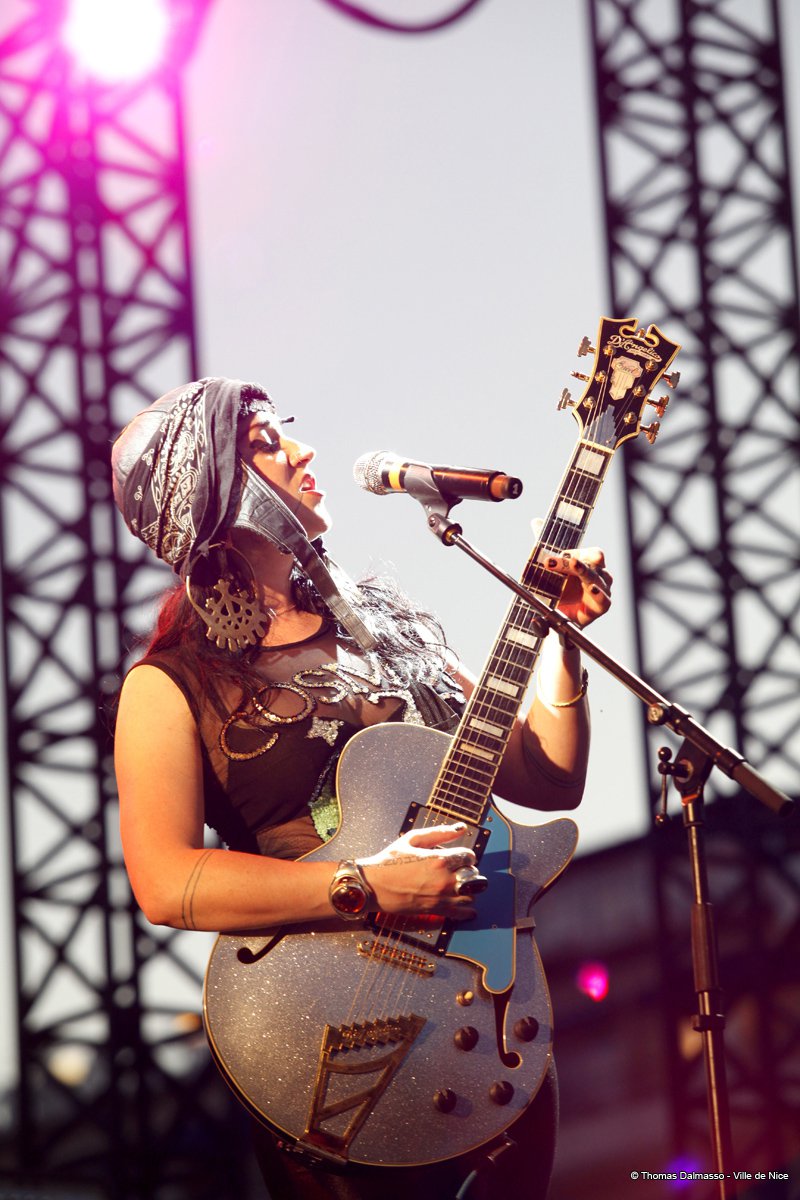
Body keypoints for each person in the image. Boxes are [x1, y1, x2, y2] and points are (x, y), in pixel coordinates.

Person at [111, 377, 612, 1200]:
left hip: (485, 1015)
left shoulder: (388, 630)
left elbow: (547, 778)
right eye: (267, 441)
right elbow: (166, 881)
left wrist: (561, 641)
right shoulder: (171, 685)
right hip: (325, 1028)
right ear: (209, 494)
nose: (304, 450)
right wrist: (368, 886)